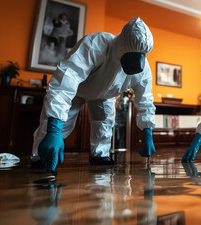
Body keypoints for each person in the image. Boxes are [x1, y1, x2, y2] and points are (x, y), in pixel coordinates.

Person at [32, 17, 156, 173]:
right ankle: (40, 157)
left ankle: (100, 155)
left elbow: (145, 100)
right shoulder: (97, 43)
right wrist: (54, 130)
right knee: (60, 126)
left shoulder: (144, 70)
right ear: (121, 44)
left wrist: (147, 132)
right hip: (77, 91)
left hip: (104, 96)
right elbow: (66, 79)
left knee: (104, 124)